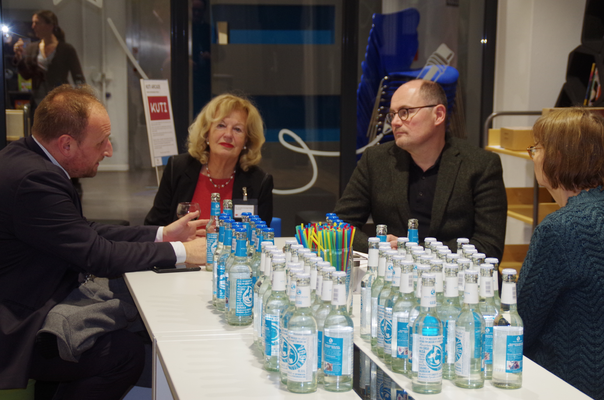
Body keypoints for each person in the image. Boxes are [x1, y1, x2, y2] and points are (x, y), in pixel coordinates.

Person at [0, 84, 206, 399]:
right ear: (66, 144)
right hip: (16, 324)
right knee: (124, 352)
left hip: (30, 296)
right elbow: (97, 255)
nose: (108, 151)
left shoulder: (27, 160)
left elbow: (84, 230)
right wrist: (182, 252)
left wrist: (164, 234)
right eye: (101, 142)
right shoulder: (34, 181)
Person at [334, 79, 507, 257]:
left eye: (404, 112)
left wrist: (413, 250)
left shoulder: (481, 164)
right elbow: (338, 226)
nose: (395, 122)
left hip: (455, 279)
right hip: (393, 275)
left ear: (438, 114)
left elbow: (489, 246)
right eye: (392, 114)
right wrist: (378, 246)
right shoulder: (375, 160)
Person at [517, 108, 604, 400]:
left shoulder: (561, 228)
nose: (533, 155)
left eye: (536, 148)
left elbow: (520, 325)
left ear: (557, 156)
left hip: (564, 383)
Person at [145, 93, 274, 226]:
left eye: (237, 129)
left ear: (246, 140)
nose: (228, 135)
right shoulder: (177, 169)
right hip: (182, 247)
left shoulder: (260, 182)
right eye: (221, 125)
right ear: (206, 133)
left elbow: (259, 238)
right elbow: (153, 229)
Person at [13, 10, 85, 110]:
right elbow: (26, 76)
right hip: (38, 102)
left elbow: (78, 78)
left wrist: (83, 103)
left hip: (61, 102)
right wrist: (19, 57)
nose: (33, 26)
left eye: (37, 23)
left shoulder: (66, 49)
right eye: (33, 23)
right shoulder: (31, 48)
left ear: (50, 26)